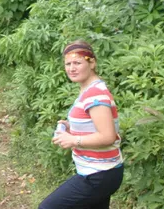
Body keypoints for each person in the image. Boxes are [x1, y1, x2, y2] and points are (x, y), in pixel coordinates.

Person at [40, 41, 124, 209]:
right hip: (102, 172)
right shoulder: (88, 90)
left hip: (98, 174)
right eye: (68, 64)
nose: (72, 68)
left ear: (92, 63)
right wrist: (72, 128)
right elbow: (96, 126)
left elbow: (107, 136)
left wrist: (73, 140)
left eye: (77, 63)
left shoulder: (95, 95)